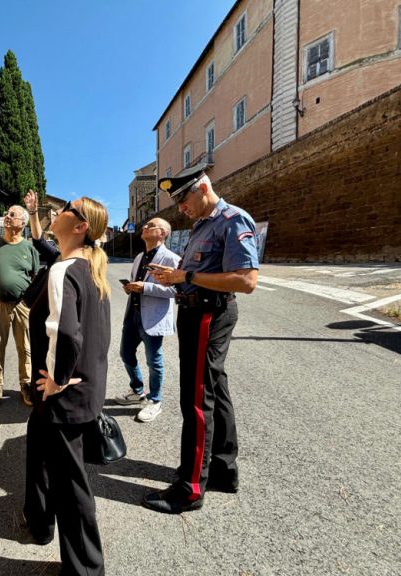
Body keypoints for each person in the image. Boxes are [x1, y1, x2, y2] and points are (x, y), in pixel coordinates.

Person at [146, 169, 259, 514]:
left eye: (183, 198)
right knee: (216, 389)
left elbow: (246, 279)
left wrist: (187, 276)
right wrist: (176, 278)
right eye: (177, 201)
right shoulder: (201, 226)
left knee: (197, 399)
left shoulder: (233, 219)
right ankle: (223, 470)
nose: (180, 207)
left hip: (210, 314)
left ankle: (190, 488)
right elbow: (193, 273)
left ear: (204, 188)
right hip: (195, 310)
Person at [23, 197, 110, 576]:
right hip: (80, 388)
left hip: (64, 392)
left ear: (80, 227)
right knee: (37, 444)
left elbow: (65, 334)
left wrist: (57, 379)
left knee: (71, 486)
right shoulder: (85, 267)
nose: (59, 211)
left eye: (68, 209)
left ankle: (86, 570)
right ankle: (39, 522)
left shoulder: (67, 270)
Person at [114, 217, 180, 422]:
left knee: (154, 361)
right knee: (126, 354)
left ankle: (155, 400)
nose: (145, 227)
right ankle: (138, 390)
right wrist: (130, 288)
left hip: (153, 318)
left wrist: (146, 288)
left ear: (162, 233)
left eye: (150, 226)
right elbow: (138, 284)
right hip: (133, 315)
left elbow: (177, 290)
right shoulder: (139, 256)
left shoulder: (171, 259)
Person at [0, 205, 40, 410]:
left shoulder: (29, 248)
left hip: (22, 305)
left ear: (22, 224)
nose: (7, 217)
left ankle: (25, 384)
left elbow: (34, 277)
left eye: (12, 215)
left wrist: (25, 299)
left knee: (25, 347)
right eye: (7, 213)